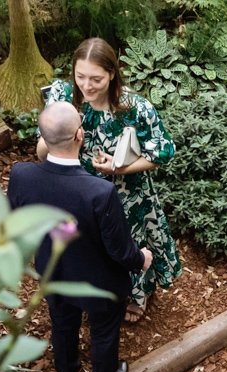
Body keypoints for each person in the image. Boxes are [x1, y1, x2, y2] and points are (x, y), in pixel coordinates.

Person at [8, 101, 152, 372]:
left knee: (62, 322)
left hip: (53, 272)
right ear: (80, 136)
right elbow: (119, 250)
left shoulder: (21, 176)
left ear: (44, 139)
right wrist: (141, 259)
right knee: (103, 331)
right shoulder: (99, 192)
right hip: (98, 283)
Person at [41, 38, 181, 322]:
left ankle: (138, 297)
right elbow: (42, 151)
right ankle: (92, 293)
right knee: (87, 245)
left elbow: (164, 151)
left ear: (112, 74)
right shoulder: (61, 95)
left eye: (96, 79)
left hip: (124, 193)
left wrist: (119, 169)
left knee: (130, 242)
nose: (87, 86)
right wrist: (65, 131)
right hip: (76, 191)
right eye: (80, 76)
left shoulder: (134, 108)